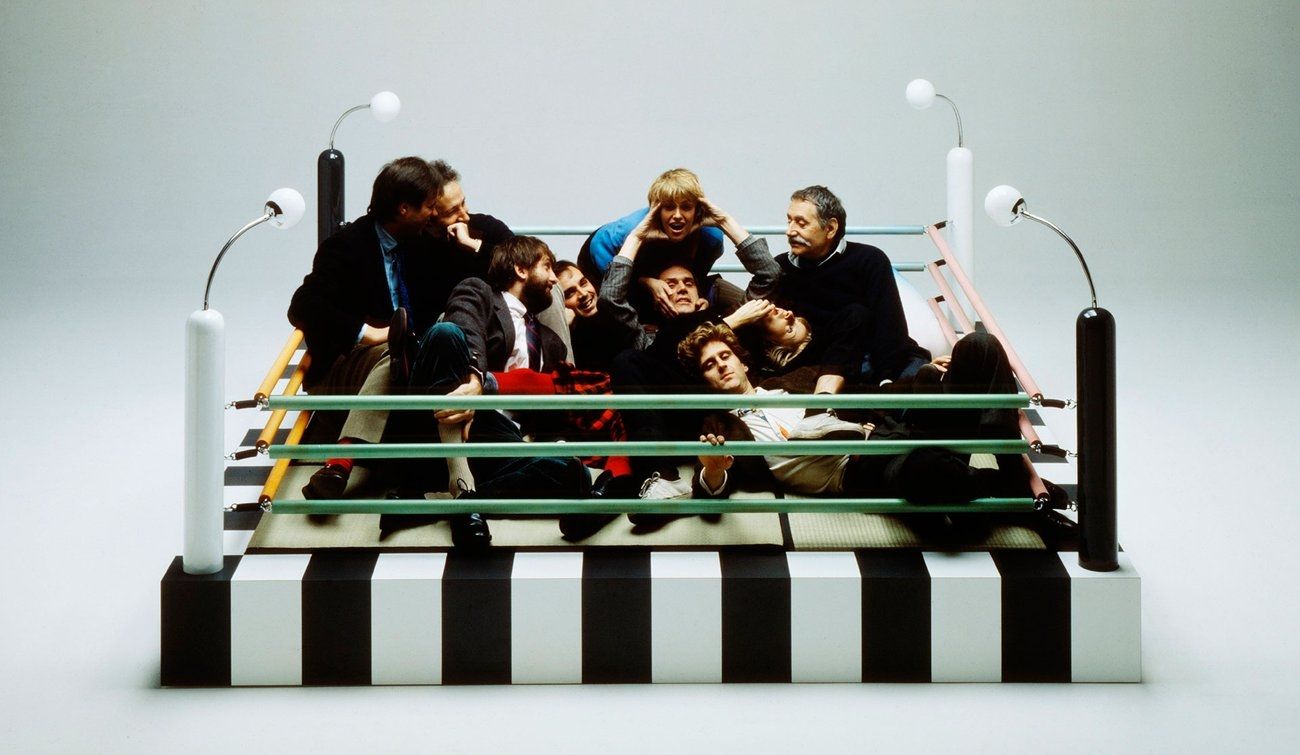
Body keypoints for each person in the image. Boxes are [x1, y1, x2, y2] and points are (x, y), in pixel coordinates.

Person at [380, 236, 590, 547]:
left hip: (502, 443)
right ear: (520, 269)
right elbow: (464, 326)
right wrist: (476, 381)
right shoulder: (480, 293)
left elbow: (550, 408)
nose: (554, 278)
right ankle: (460, 483)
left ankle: (442, 500)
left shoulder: (552, 343)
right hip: (446, 418)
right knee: (445, 334)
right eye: (547, 266)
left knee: (575, 474)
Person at [676, 322, 1029, 504]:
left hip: (892, 431)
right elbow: (709, 488)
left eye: (725, 356)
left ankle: (1011, 468)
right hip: (865, 469)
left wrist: (922, 378)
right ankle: (1006, 489)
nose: (721, 365)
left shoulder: (791, 382)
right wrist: (713, 470)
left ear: (741, 361)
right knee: (931, 470)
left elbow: (866, 393)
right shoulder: (719, 424)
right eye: (710, 365)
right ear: (705, 380)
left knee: (978, 345)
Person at [775, 185, 931, 385]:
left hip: (876, 356)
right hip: (822, 363)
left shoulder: (869, 259)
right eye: (789, 221)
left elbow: (890, 327)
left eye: (801, 223)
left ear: (830, 228)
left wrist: (887, 379)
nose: (789, 231)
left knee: (921, 374)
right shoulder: (781, 267)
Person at [578, 168, 741, 320]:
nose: (677, 215)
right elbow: (612, 283)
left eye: (686, 207)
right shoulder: (628, 230)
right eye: (669, 207)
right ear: (656, 211)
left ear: (697, 210)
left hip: (665, 272)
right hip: (602, 261)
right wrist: (644, 282)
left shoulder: (711, 237)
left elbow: (694, 276)